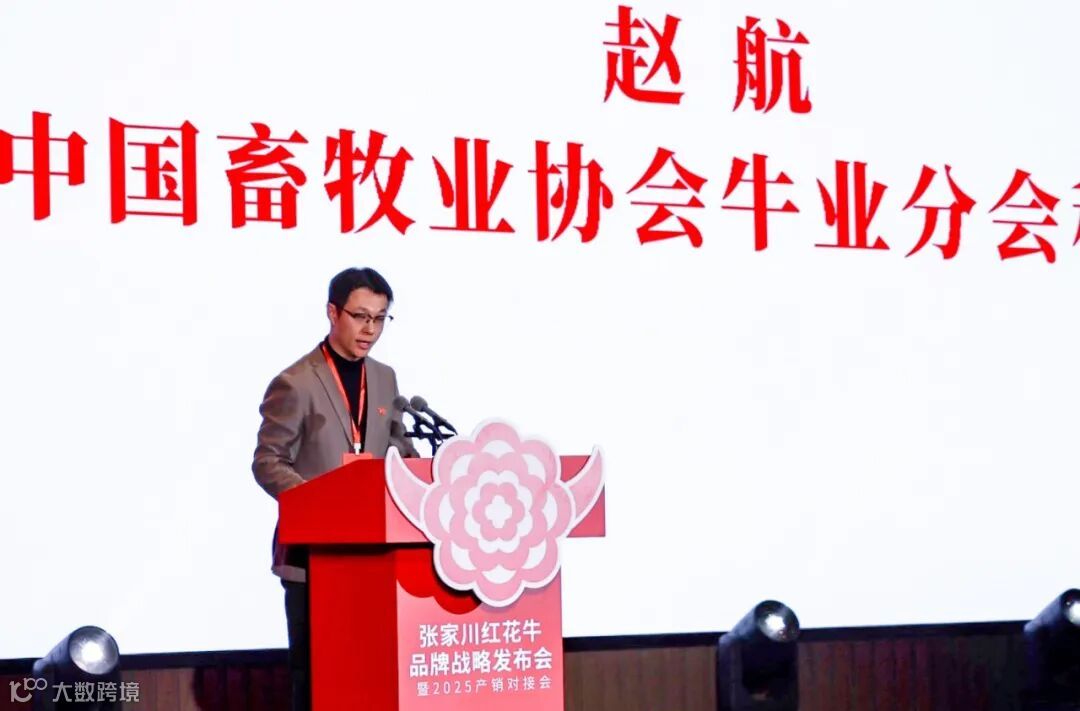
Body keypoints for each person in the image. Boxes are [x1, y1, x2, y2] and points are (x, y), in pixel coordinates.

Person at [252, 267, 418, 711]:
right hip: (313, 561)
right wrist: (319, 505)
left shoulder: (385, 378)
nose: (370, 329)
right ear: (332, 312)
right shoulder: (295, 382)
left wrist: (420, 472)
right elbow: (267, 461)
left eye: (380, 318)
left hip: (375, 558)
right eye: (361, 316)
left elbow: (398, 448)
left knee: (369, 678)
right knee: (316, 682)